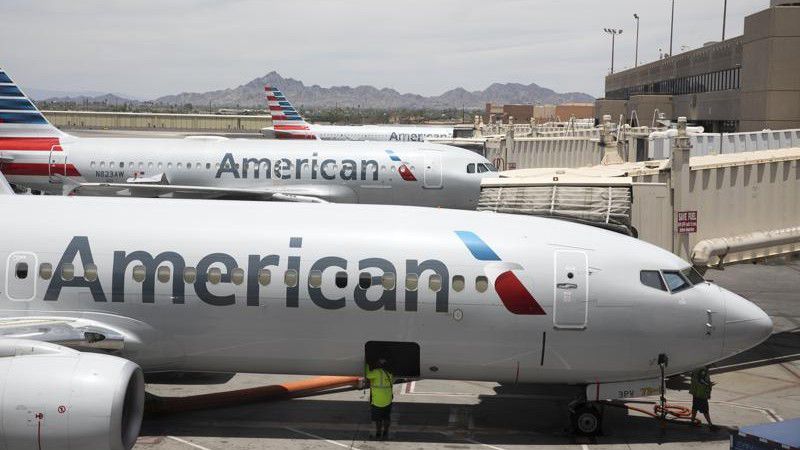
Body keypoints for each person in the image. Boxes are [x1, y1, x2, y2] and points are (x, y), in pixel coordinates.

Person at [365, 357, 394, 440]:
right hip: (388, 400)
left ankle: (378, 432)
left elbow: (367, 375)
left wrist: (366, 365)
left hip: (377, 401)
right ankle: (386, 431)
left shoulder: (376, 372)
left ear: (378, 364)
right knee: (386, 417)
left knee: (378, 419)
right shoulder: (389, 374)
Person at [690, 366, 718, 431]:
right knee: (705, 410)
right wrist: (708, 384)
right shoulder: (703, 370)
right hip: (701, 394)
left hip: (696, 392)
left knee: (695, 408)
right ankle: (710, 425)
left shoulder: (697, 368)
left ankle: (692, 422)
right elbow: (701, 380)